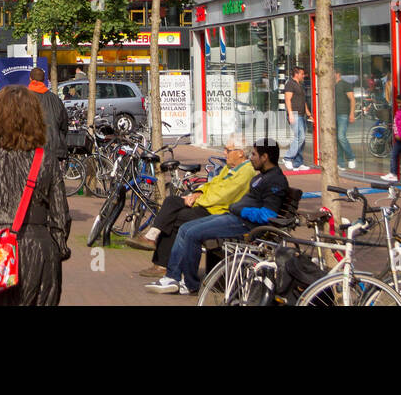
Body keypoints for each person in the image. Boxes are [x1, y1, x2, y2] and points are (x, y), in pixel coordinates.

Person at [0, 85, 71, 306]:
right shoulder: (45, 159)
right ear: (36, 118)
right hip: (38, 248)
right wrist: (56, 250)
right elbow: (61, 216)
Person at [146, 139, 288, 295]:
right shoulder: (262, 176)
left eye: (254, 154)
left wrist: (242, 210)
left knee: (192, 233)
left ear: (265, 157)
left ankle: (190, 284)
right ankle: (172, 277)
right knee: (186, 228)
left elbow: (268, 215)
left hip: (245, 225)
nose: (251, 157)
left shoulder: (275, 180)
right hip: (234, 217)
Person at [132, 139, 256, 278]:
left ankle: (161, 259)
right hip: (208, 205)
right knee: (171, 201)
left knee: (175, 217)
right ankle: (153, 238)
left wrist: (195, 200)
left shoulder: (246, 172)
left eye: (228, 150)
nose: (224, 153)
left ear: (240, 153)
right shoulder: (230, 167)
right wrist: (198, 193)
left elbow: (223, 196)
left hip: (217, 211)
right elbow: (212, 184)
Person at [26, 66, 67, 163]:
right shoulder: (55, 99)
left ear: (30, 79)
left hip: (32, 148)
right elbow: (64, 122)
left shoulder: (24, 98)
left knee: (34, 176)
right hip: (53, 147)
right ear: (44, 80)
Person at [282, 66, 310, 171]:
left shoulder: (300, 85)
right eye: (302, 74)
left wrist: (308, 112)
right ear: (296, 74)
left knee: (302, 139)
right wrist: (290, 114)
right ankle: (287, 157)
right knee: (299, 137)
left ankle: (298, 163)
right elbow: (287, 99)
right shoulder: (290, 84)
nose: (303, 76)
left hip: (301, 114)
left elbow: (303, 101)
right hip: (295, 114)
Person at [334, 71, 357, 170]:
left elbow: (352, 99)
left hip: (343, 114)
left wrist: (352, 113)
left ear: (337, 73)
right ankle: (341, 162)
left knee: (341, 136)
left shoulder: (345, 84)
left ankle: (351, 157)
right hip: (334, 114)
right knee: (338, 139)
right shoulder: (332, 86)